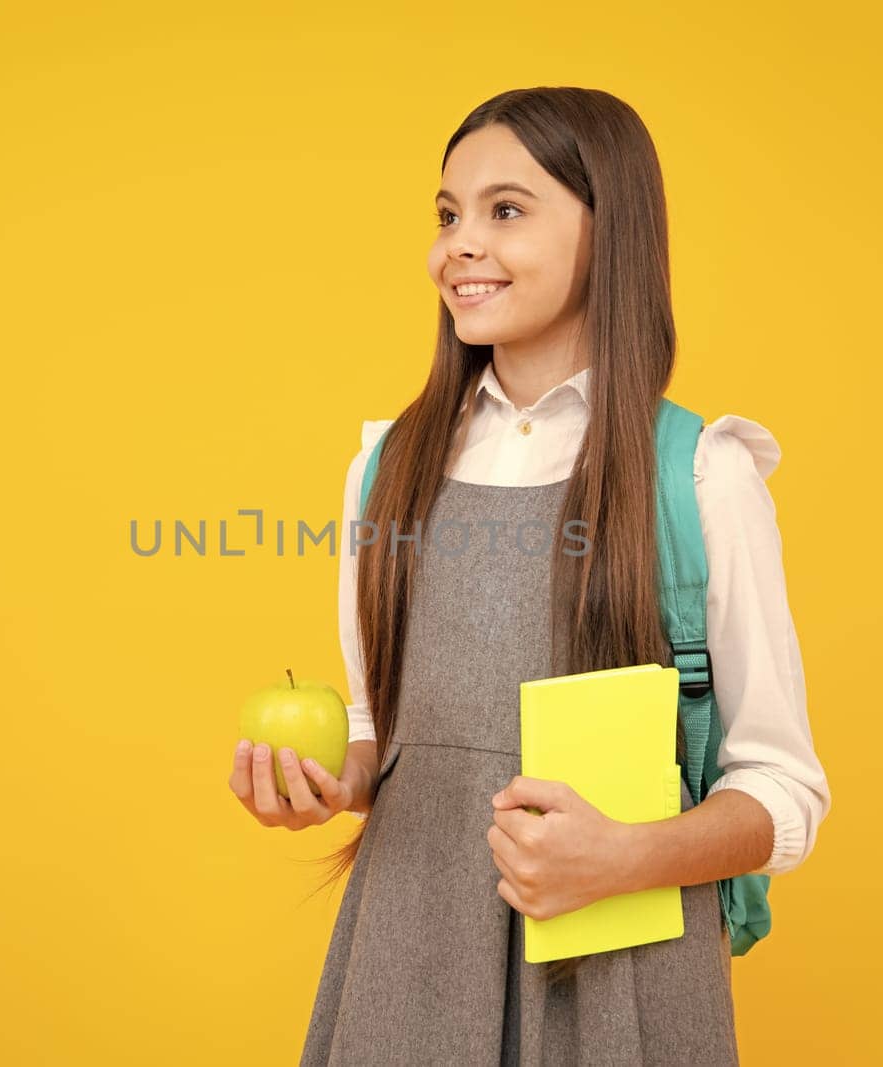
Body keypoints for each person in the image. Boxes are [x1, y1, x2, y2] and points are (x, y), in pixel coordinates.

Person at [226, 86, 831, 1065]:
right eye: (447, 213)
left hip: (618, 975)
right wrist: (326, 779)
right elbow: (393, 736)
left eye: (505, 209)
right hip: (407, 955)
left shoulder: (699, 476)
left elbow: (783, 791)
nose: (459, 243)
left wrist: (627, 854)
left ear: (612, 232)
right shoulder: (386, 469)